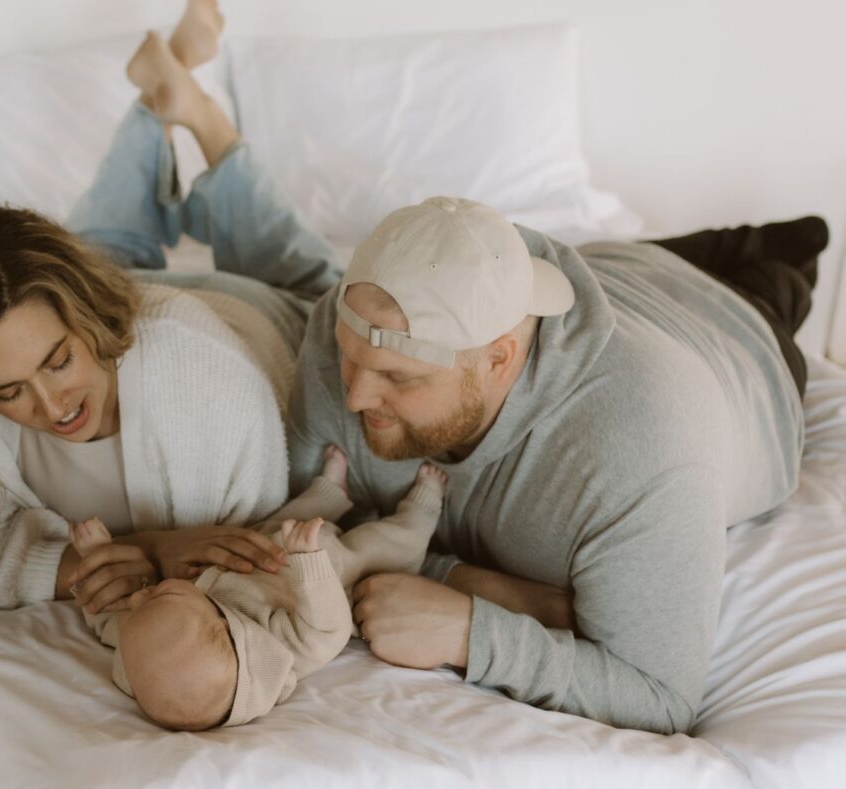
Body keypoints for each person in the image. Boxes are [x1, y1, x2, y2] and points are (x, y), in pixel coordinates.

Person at [0, 3, 343, 656]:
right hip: (114, 297)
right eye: (9, 391)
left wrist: (144, 560)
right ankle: (168, 85)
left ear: (85, 320)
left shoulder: (202, 382)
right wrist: (151, 548)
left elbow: (254, 557)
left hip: (255, 318)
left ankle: (205, 121)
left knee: (311, 278)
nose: (52, 407)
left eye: (56, 363)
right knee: (98, 244)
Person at [286, 196, 827, 734]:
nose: (354, 398)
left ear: (499, 360)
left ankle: (789, 248)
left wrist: (469, 629)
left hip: (740, 338)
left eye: (397, 378)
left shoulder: (642, 447)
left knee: (784, 267)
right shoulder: (355, 326)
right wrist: (475, 581)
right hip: (613, 270)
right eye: (349, 359)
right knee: (649, 259)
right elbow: (310, 531)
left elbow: (661, 696)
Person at [69, 446, 447, 729]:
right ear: (220, 625)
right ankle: (423, 510)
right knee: (387, 544)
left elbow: (109, 614)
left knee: (280, 519)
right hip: (332, 568)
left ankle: (331, 492)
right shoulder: (281, 647)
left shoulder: (139, 651)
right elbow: (328, 630)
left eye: (142, 599)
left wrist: (100, 556)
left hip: (263, 548)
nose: (140, 593)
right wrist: (309, 562)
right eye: (159, 593)